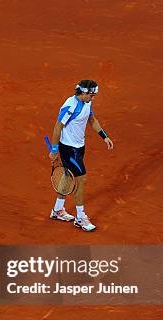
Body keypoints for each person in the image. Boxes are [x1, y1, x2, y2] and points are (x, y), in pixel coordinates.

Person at [48, 79, 114, 232]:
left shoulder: (87, 102)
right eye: (91, 95)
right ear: (83, 93)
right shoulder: (70, 106)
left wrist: (104, 136)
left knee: (67, 177)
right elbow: (57, 127)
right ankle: (80, 217)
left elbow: (91, 119)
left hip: (80, 147)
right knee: (81, 180)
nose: (93, 98)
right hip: (68, 149)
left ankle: (57, 210)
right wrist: (54, 149)